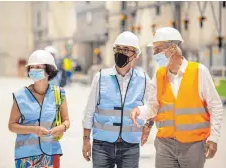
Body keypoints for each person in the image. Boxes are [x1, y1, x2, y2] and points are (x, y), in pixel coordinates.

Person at [131, 27, 224, 168]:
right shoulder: (159, 75)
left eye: (158, 49)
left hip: (193, 145)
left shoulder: (199, 72)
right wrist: (140, 110)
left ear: (173, 48)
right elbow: (153, 107)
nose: (155, 54)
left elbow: (215, 106)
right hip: (164, 144)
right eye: (154, 50)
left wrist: (214, 138)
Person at [82, 31, 156, 168]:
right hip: (102, 145)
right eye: (118, 49)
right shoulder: (100, 77)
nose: (121, 52)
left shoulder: (144, 80)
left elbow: (154, 106)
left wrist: (148, 126)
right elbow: (89, 111)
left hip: (130, 146)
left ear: (136, 55)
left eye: (126, 50)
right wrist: (86, 140)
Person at [8, 50, 70, 168]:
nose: (34, 70)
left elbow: (66, 120)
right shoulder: (20, 96)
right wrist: (33, 130)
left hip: (51, 153)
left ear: (48, 70)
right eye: (32, 67)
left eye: (38, 67)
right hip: (26, 157)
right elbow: (11, 125)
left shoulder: (59, 93)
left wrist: (62, 127)